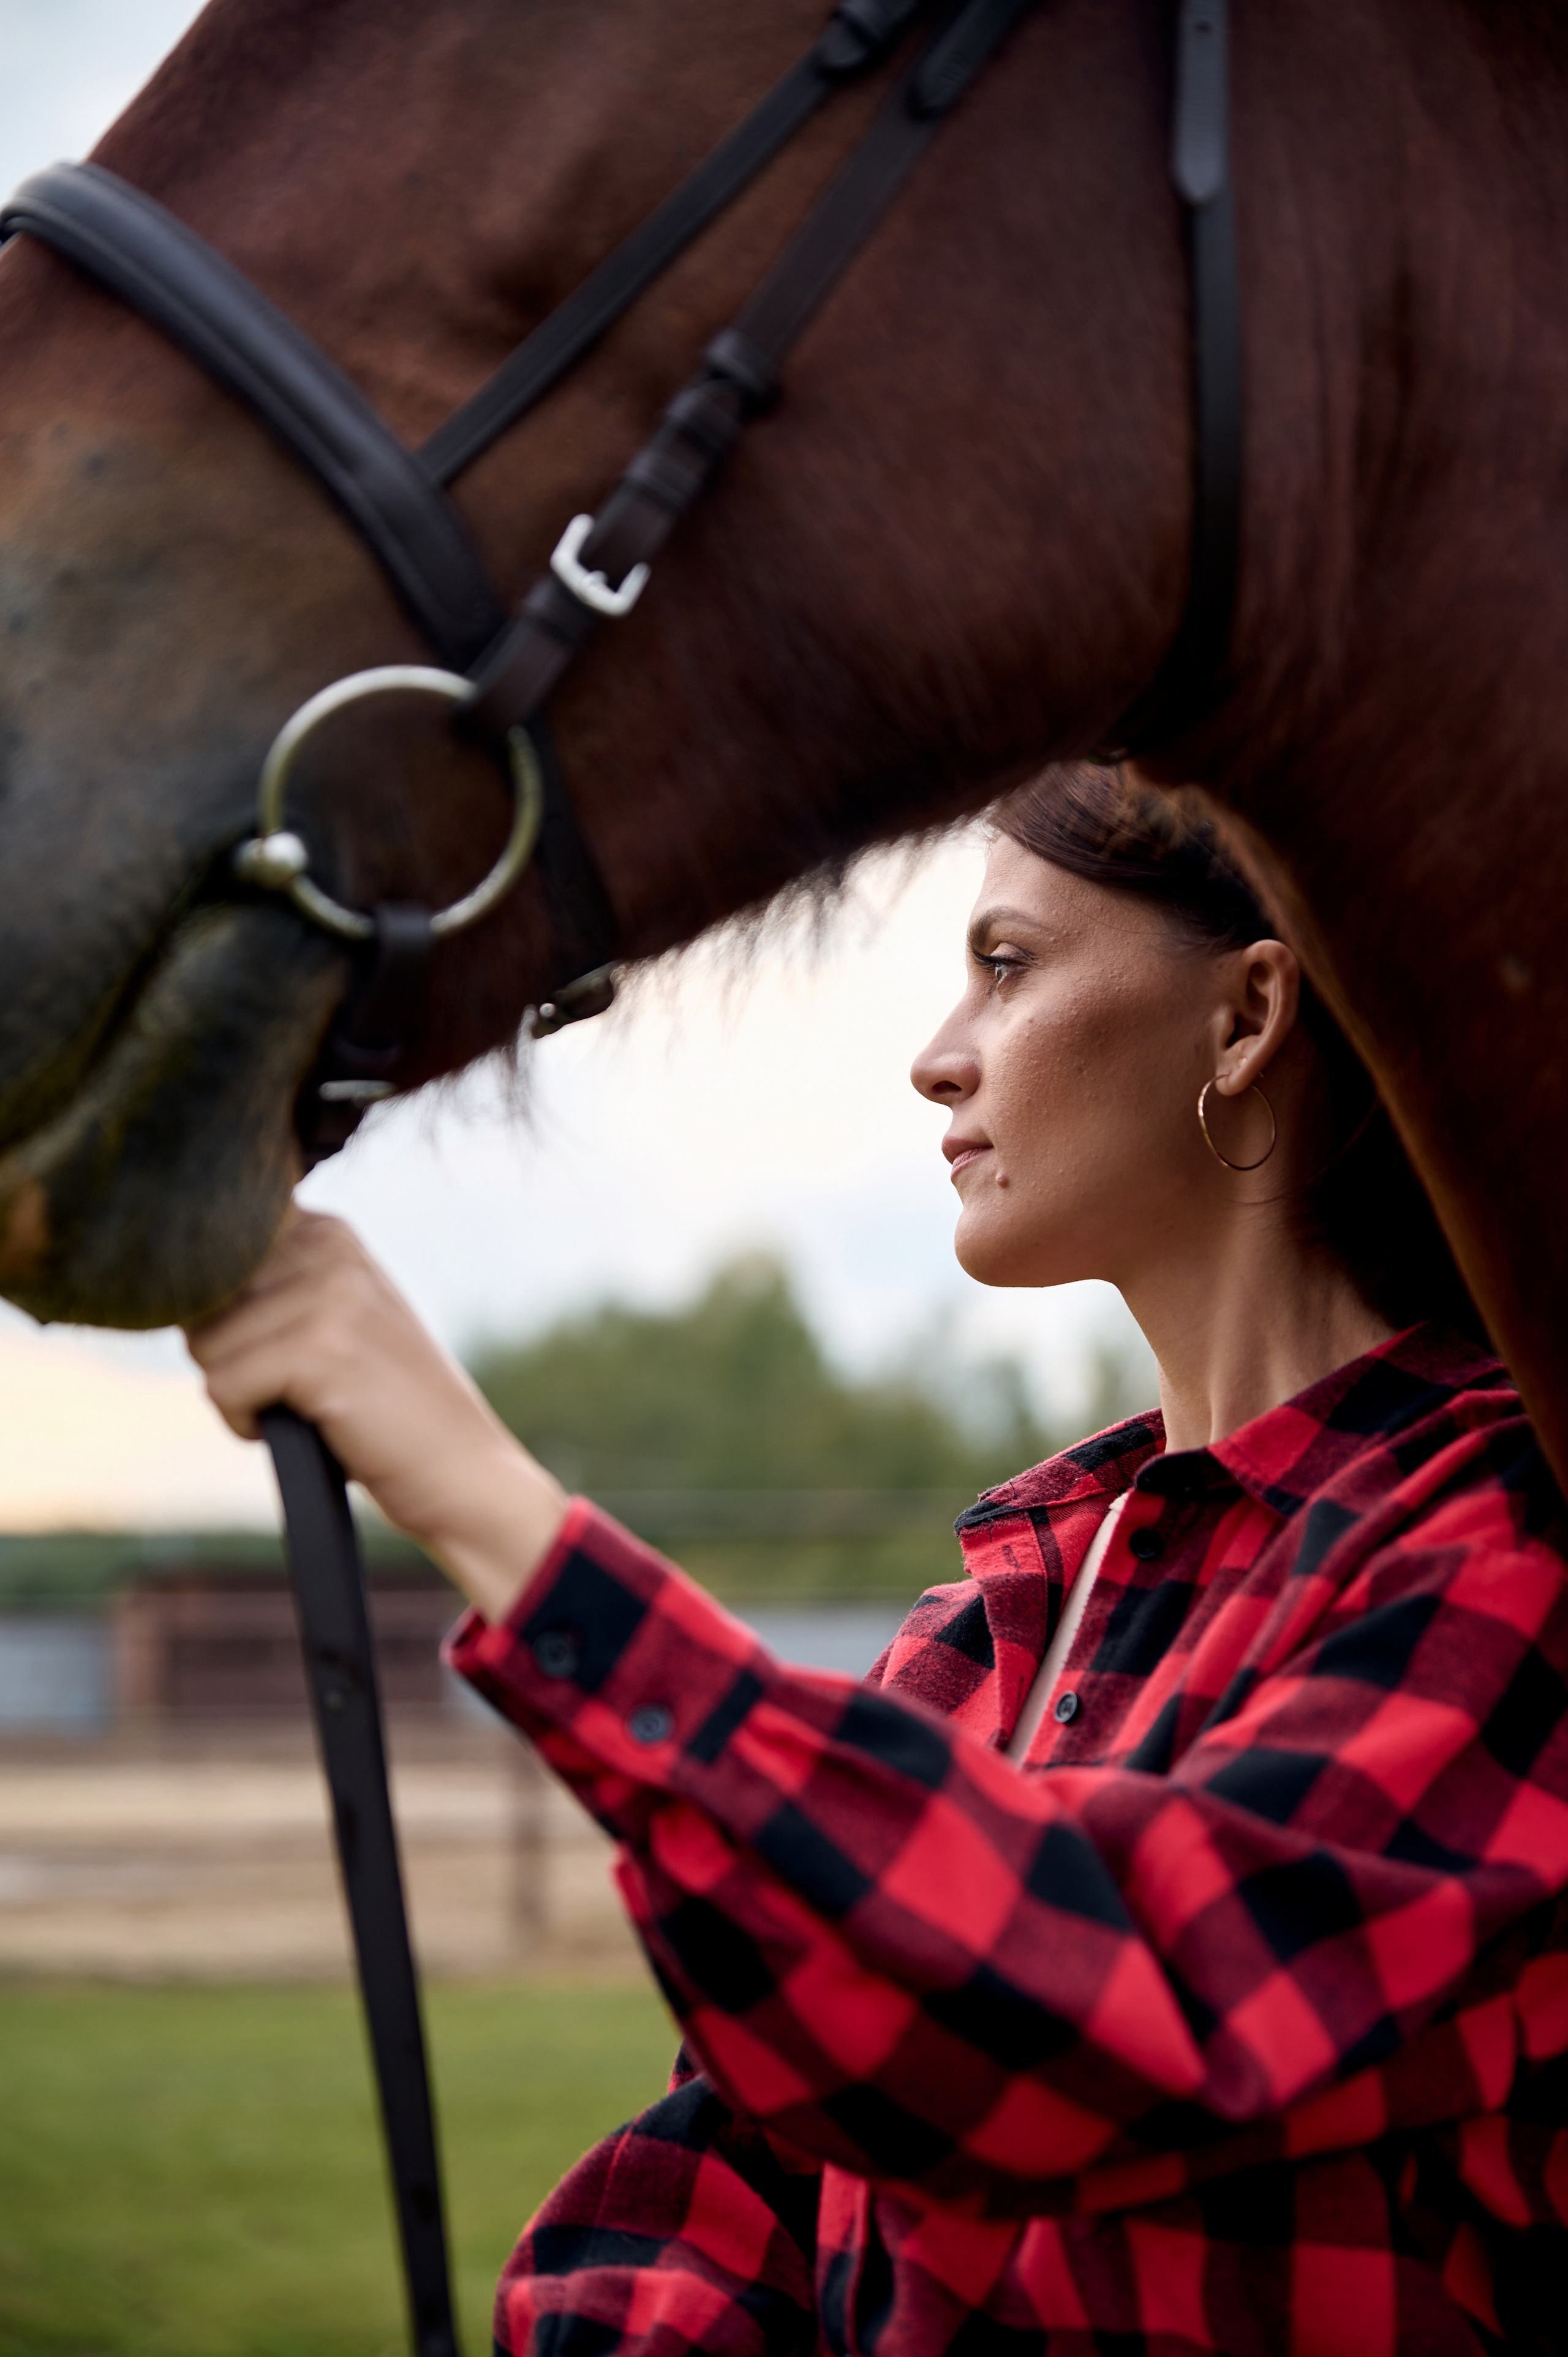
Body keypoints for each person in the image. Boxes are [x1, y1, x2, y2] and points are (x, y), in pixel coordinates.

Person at [189, 767, 1568, 2357]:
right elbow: (739, 2172)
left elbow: (1099, 2011)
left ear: (1248, 1015)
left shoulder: (1504, 1541)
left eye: (1007, 964)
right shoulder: (1004, 1615)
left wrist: (487, 1507)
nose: (936, 1059)